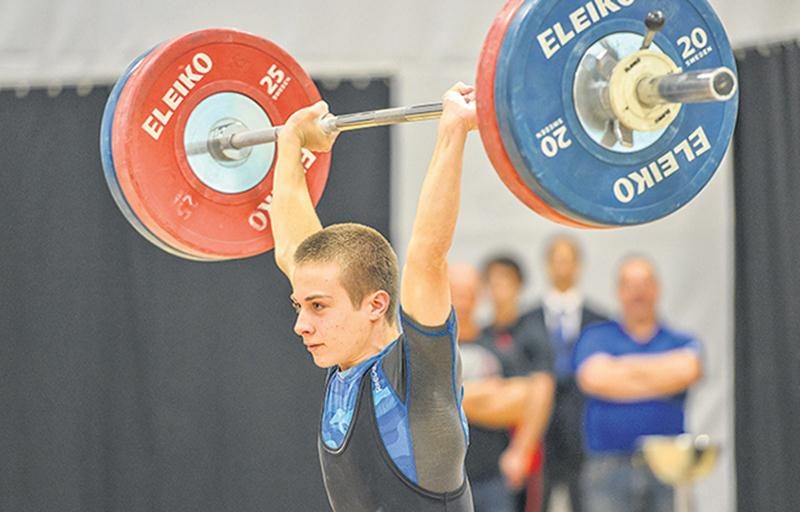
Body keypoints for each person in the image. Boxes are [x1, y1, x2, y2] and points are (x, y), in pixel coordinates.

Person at [270, 83, 477, 512]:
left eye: (318, 307)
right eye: (300, 306)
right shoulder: (344, 366)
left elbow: (427, 256)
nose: (301, 324)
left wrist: (452, 131)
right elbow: (292, 251)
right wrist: (289, 144)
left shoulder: (418, 378)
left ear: (376, 305)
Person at [574, 256, 703, 512]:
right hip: (607, 468)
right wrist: (660, 375)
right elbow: (593, 378)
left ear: (657, 289)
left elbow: (687, 370)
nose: (638, 293)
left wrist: (619, 371)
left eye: (645, 283)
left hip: (667, 469)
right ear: (619, 292)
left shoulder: (682, 341)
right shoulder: (595, 337)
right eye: (630, 285)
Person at [449, 263, 533, 512]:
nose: (464, 302)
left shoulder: (500, 347)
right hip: (442, 485)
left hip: (493, 479)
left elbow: (521, 402)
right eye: (457, 293)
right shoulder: (428, 352)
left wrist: (449, 396)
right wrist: (488, 393)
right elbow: (419, 405)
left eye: (470, 293)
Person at [533, 236, 607, 512]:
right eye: (557, 259)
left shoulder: (599, 321)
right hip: (540, 431)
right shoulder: (528, 320)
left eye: (569, 259)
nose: (563, 266)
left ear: (579, 265)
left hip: (584, 429)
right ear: (547, 264)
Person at [482, 255, 555, 512]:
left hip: (522, 448)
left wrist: (521, 451)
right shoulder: (483, 334)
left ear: (519, 285)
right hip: (488, 449)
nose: (499, 288)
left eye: (506, 280)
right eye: (492, 281)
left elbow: (543, 390)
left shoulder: (532, 331)